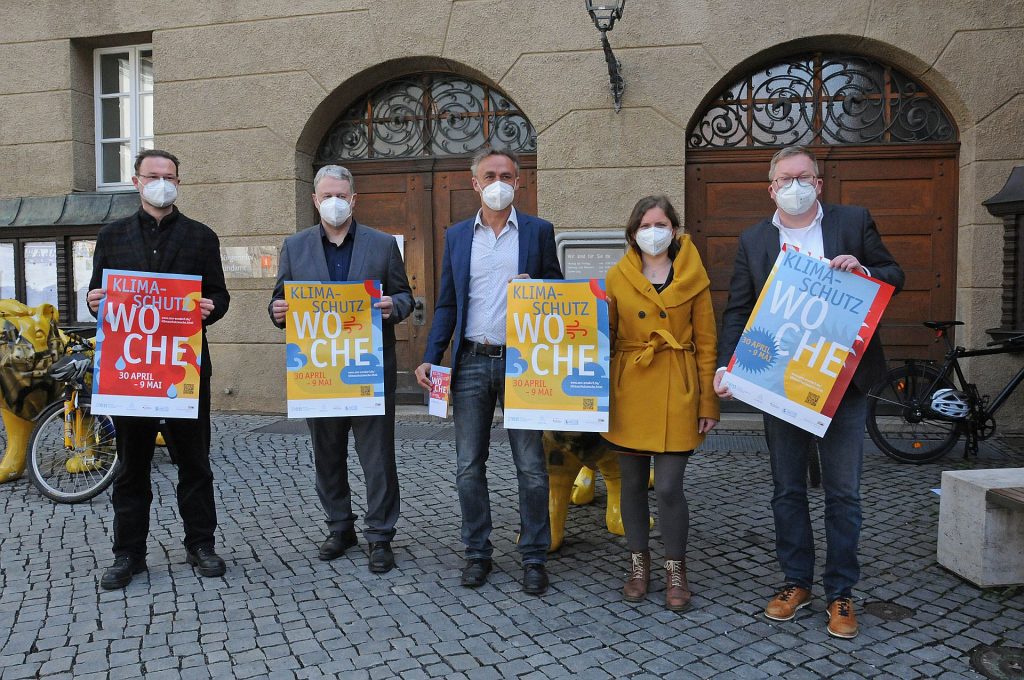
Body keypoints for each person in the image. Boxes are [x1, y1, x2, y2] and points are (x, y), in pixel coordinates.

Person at [714, 145, 905, 638]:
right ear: (771, 187)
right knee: (787, 489)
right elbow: (739, 308)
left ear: (818, 184)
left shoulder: (852, 221)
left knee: (844, 492)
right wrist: (729, 365)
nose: (793, 185)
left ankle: (841, 591)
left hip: (844, 379)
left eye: (803, 177)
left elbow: (894, 274)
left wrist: (864, 272)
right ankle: (795, 581)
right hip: (781, 382)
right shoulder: (755, 239)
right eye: (784, 179)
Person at [413, 147, 562, 595]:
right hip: (472, 361)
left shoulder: (538, 232)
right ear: (475, 182)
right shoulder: (458, 235)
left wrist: (539, 288)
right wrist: (431, 353)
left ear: (518, 183)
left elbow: (558, 288)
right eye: (490, 175)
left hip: (524, 364)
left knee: (531, 467)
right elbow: (448, 302)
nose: (499, 182)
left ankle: (534, 555)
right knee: (467, 466)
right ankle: (477, 552)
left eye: (507, 175)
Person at [87, 149, 230, 590]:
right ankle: (128, 553)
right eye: (154, 175)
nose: (161, 182)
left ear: (179, 183)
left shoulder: (202, 237)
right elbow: (98, 294)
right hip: (129, 372)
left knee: (194, 461)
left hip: (183, 370)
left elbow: (220, 297)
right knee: (132, 464)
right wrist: (96, 302)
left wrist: (210, 309)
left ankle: (200, 544)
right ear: (137, 181)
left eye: (169, 176)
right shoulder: (112, 236)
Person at [268, 165, 413, 573]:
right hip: (318, 373)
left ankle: (380, 534)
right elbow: (279, 301)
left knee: (377, 457)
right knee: (326, 456)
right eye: (326, 195)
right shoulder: (294, 247)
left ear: (353, 199)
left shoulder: (383, 246)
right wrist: (277, 312)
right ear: (315, 200)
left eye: (341, 195)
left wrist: (394, 306)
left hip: (368, 371)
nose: (334, 202)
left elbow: (405, 296)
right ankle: (339, 527)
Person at [603, 196, 719, 611]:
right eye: (646, 225)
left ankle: (675, 568)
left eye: (662, 224)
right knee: (632, 485)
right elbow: (603, 338)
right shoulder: (616, 276)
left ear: (675, 229)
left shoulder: (695, 275)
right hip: (629, 386)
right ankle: (638, 565)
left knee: (668, 486)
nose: (654, 232)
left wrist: (708, 402)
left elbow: (706, 344)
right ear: (633, 233)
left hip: (678, 384)